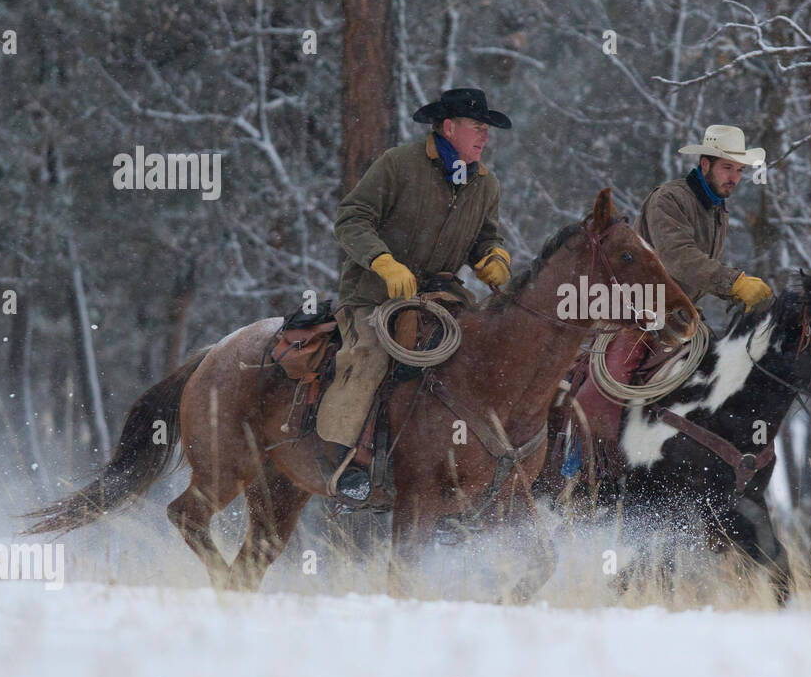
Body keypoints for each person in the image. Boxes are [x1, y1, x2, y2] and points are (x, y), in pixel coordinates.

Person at [316, 87, 513, 503]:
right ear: (448, 127)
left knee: (485, 364)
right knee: (370, 358)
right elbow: (351, 219)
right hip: (373, 296)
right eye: (477, 128)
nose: (485, 137)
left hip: (444, 300)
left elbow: (486, 238)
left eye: (487, 130)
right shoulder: (399, 164)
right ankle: (354, 463)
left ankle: (470, 464)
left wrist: (494, 257)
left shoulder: (485, 184)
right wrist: (383, 262)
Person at [564, 125, 774, 471]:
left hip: (684, 318)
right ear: (704, 163)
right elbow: (679, 258)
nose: (734, 177)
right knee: (609, 382)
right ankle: (581, 467)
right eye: (727, 167)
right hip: (641, 313)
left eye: (739, 170)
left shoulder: (716, 208)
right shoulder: (670, 199)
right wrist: (734, 282)